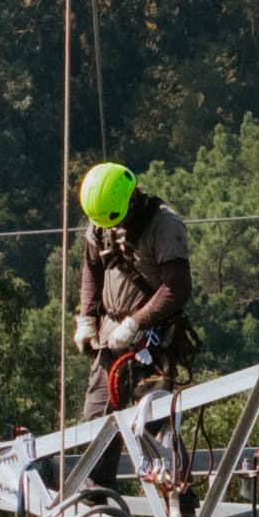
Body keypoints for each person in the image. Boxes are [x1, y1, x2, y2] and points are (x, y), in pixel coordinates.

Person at [73, 159, 192, 449]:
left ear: (130, 200)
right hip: (109, 336)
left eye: (117, 219)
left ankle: (178, 493)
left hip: (152, 341)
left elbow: (177, 289)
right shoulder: (103, 219)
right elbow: (92, 266)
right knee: (97, 423)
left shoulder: (164, 224)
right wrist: (87, 318)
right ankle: (96, 494)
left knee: (153, 426)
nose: (113, 226)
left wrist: (135, 323)